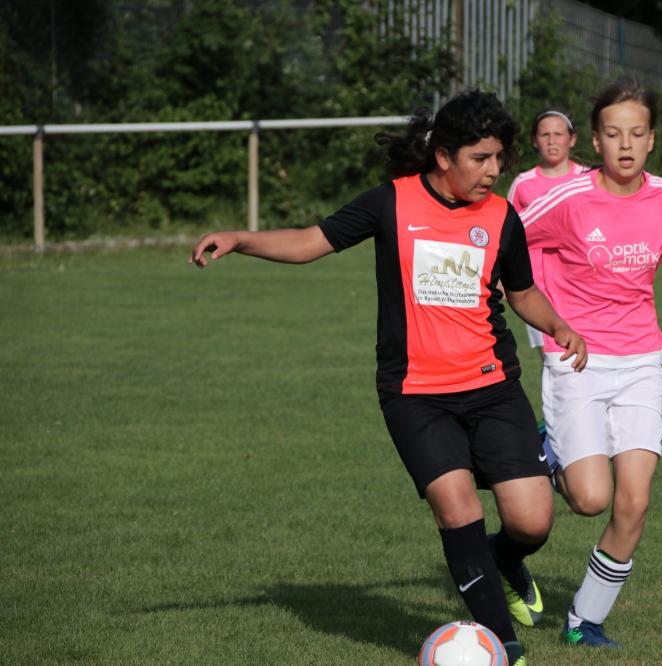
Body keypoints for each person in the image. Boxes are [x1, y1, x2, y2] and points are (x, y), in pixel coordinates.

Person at [188, 90, 588, 666]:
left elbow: (521, 292)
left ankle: (503, 561)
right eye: (481, 158)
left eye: (499, 157)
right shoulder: (391, 202)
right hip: (416, 394)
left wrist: (559, 326)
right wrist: (241, 239)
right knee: (456, 508)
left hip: (492, 386)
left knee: (532, 521)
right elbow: (310, 241)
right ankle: (504, 647)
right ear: (444, 156)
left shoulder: (502, 216)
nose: (493, 170)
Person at [518, 79, 662, 649]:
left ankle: (583, 620)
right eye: (613, 134)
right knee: (590, 500)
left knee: (634, 501)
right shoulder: (568, 198)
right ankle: (547, 449)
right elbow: (509, 238)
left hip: (642, 363)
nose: (625, 144)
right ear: (595, 140)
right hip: (577, 361)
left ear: (652, 139)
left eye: (637, 133)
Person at [506, 109, 586, 360]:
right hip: (537, 292)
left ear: (572, 139)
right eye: (545, 135)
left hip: (584, 289)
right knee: (555, 361)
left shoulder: (588, 179)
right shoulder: (523, 183)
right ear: (534, 140)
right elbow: (508, 237)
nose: (552, 141)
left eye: (558, 134)